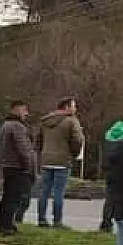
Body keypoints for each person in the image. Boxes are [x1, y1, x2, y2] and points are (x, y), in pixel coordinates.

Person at [35, 97, 84, 228]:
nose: (75, 109)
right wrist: (73, 153)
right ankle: (57, 221)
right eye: (73, 106)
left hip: (46, 159)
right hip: (62, 160)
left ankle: (41, 219)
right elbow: (78, 140)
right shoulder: (71, 121)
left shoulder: (45, 121)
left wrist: (42, 152)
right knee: (58, 192)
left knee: (44, 191)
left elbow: (38, 139)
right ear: (66, 107)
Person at [0, 100, 37, 236]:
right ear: (17, 109)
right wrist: (29, 167)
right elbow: (24, 149)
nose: (26, 113)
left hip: (8, 165)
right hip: (18, 167)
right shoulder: (17, 126)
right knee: (15, 198)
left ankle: (2, 224)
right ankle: (7, 226)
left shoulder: (5, 124)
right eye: (24, 110)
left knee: (7, 196)